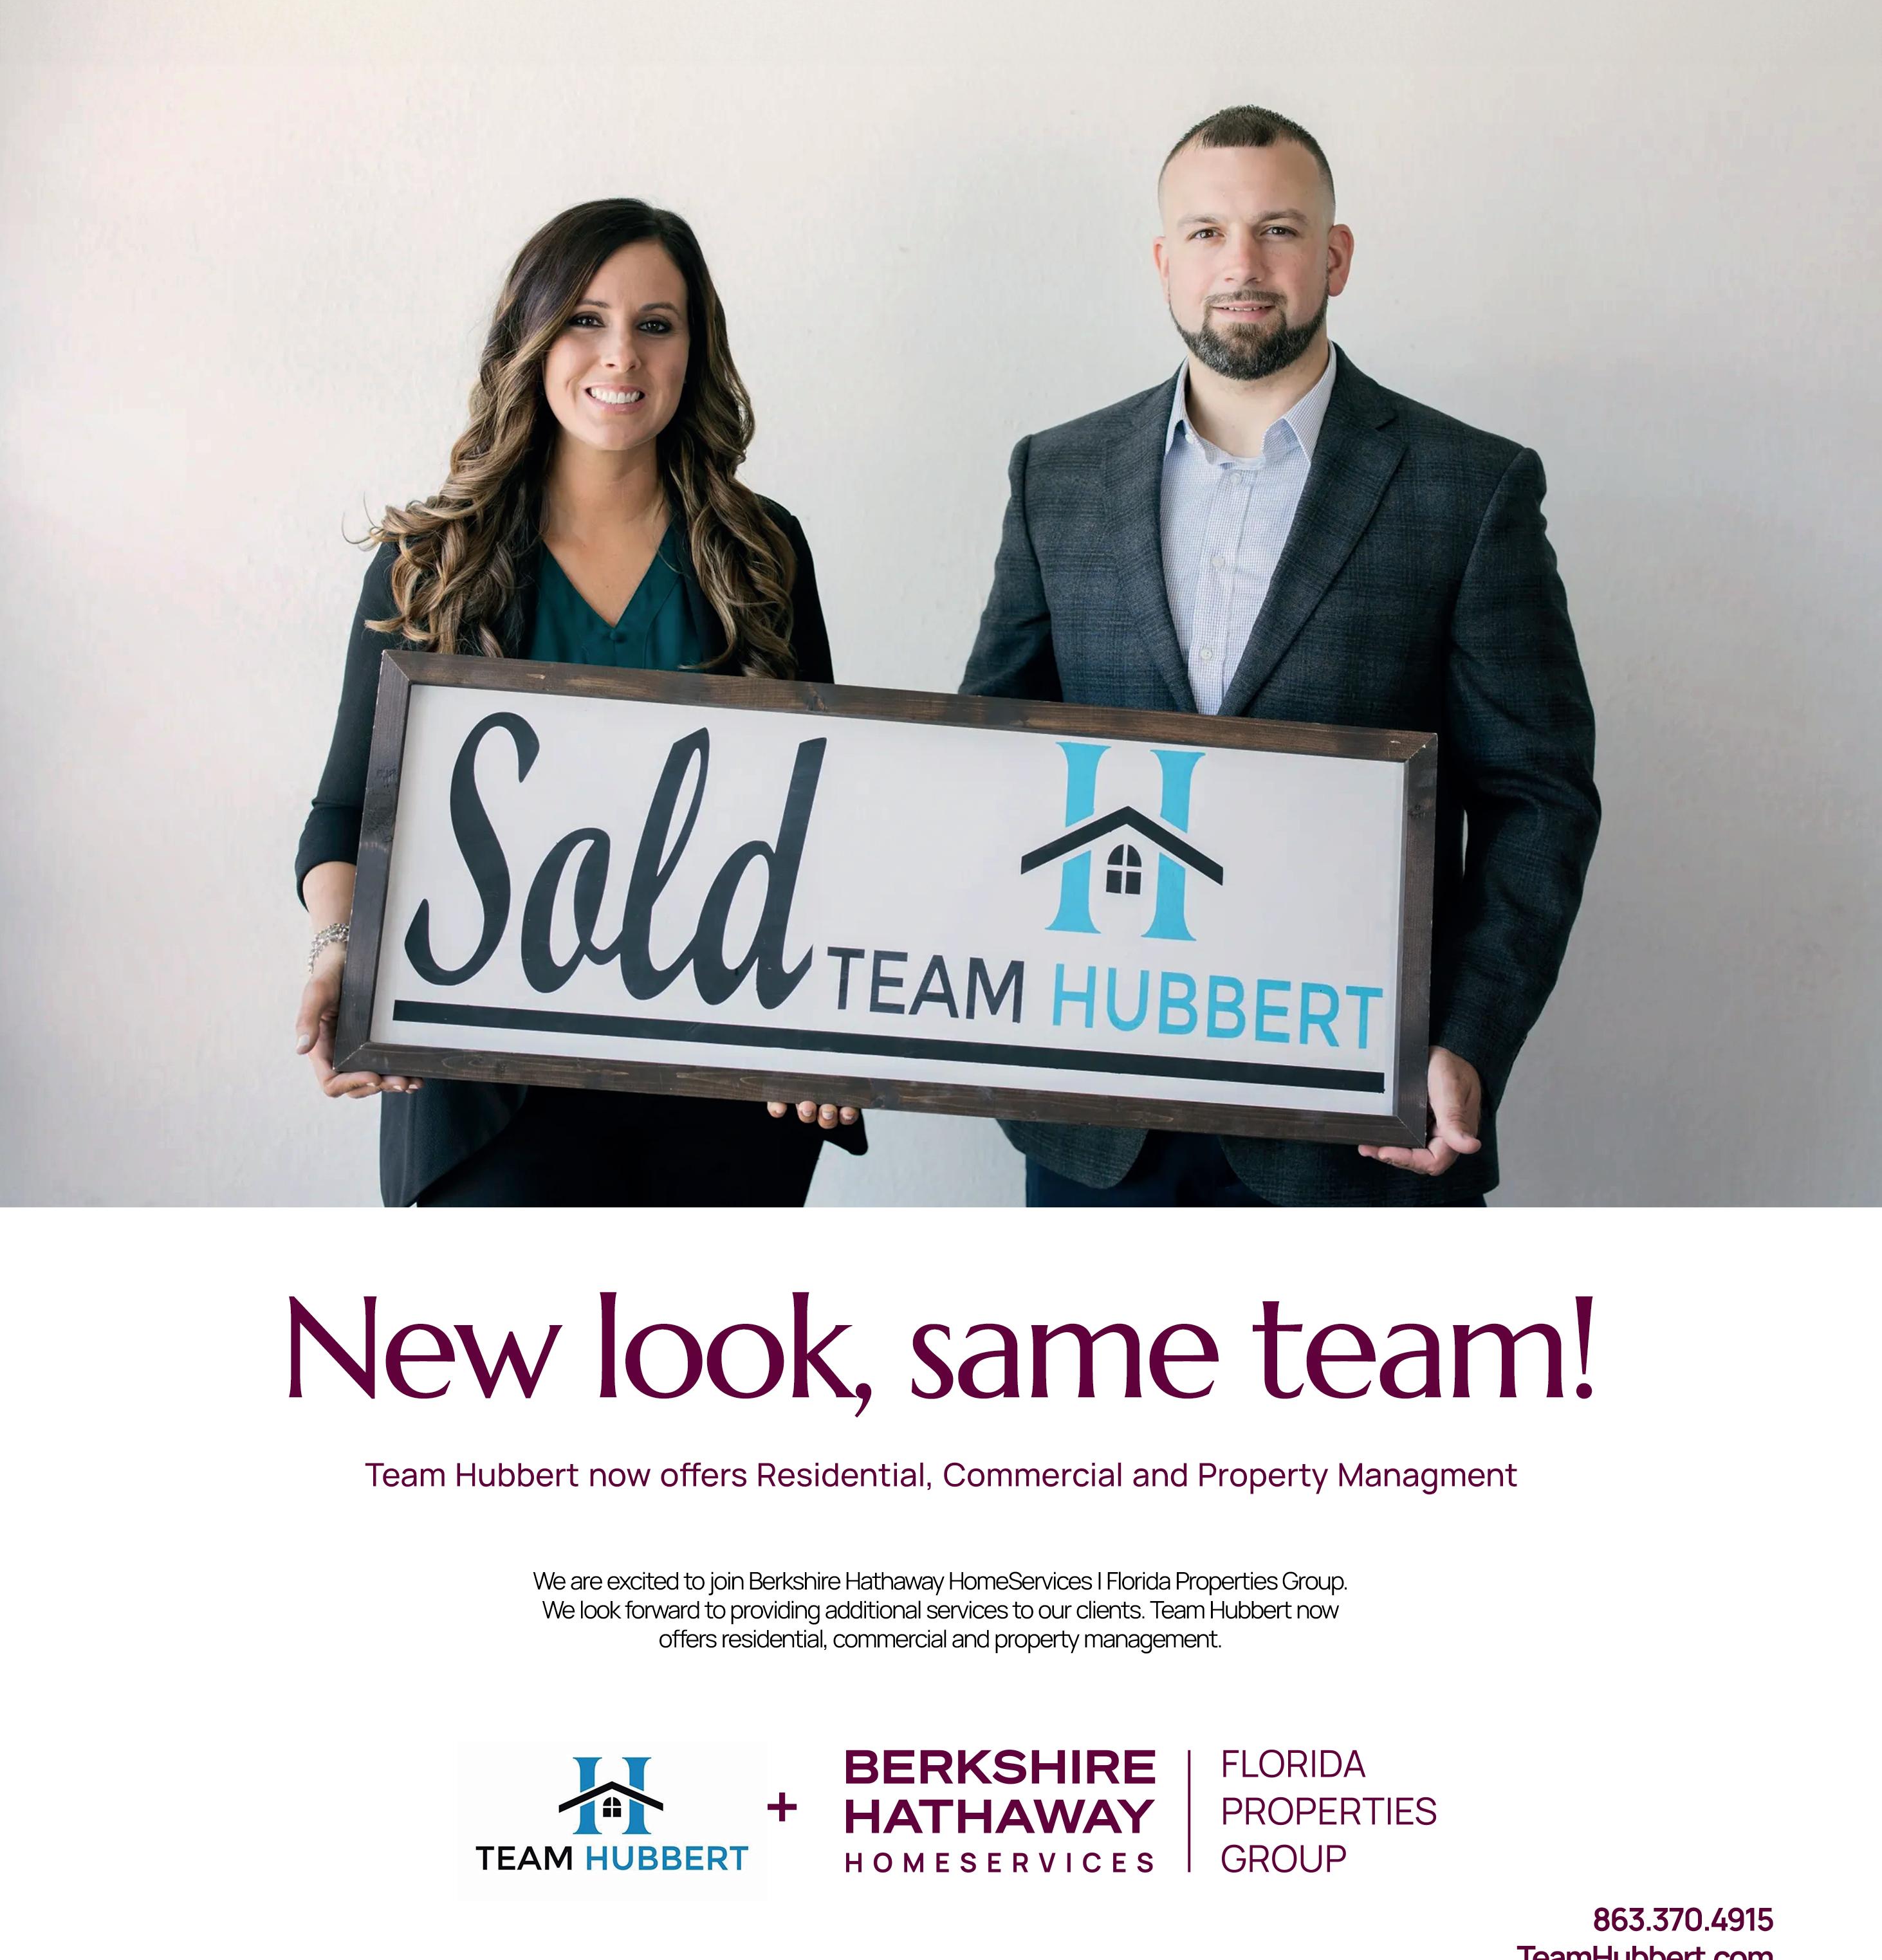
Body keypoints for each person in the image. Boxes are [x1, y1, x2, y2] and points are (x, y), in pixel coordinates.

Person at [961, 105, 1600, 1206]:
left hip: (1356, 1125)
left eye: (1278, 230)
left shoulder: (1469, 488)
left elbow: (1536, 797)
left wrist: (1465, 1039)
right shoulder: (1054, 476)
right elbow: (986, 758)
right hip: (1098, 1123)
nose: (1241, 265)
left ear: (1334, 257)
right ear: (1163, 262)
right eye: (1205, 233)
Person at [295, 198, 863, 1205]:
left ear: (694, 350)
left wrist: (834, 1022)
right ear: (530, 338)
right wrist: (343, 955)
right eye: (585, 320)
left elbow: (815, 822)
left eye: (656, 324)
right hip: (486, 1086)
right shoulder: (430, 564)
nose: (621, 356)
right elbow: (347, 815)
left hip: (723, 1084)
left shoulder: (761, 552)